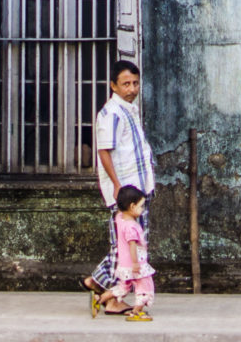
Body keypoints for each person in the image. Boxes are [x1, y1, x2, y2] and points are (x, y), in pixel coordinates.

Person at [81, 60, 154, 316]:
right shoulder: (112, 112)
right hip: (125, 193)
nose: (131, 89)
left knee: (131, 244)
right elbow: (104, 151)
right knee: (126, 245)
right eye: (125, 84)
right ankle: (108, 296)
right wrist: (117, 186)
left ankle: (98, 283)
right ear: (113, 85)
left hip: (137, 190)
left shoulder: (128, 110)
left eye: (135, 83)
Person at [95, 185, 154, 321]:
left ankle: (99, 299)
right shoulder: (131, 227)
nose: (142, 209)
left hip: (124, 265)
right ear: (132, 206)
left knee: (123, 287)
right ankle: (136, 312)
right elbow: (132, 246)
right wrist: (135, 263)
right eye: (141, 206)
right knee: (145, 287)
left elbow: (120, 212)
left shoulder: (120, 218)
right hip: (136, 264)